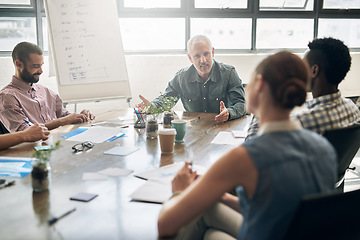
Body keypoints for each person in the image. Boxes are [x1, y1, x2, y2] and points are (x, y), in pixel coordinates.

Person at [158, 51, 336, 240]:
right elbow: (277, 206)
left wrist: (179, 191)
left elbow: (164, 225)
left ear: (259, 85)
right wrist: (222, 196)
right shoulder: (325, 148)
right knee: (212, 232)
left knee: (191, 224)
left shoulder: (245, 157)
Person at [246, 37, 360, 140]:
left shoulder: (302, 121)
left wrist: (263, 100)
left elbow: (252, 145)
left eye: (303, 66)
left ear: (314, 71)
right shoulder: (352, 109)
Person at [136, 35, 246, 123]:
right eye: (197, 56)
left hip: (222, 127)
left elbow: (242, 104)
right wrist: (151, 106)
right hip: (195, 129)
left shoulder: (229, 73)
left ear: (212, 52)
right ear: (190, 58)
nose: (203, 60)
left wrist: (229, 113)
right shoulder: (181, 77)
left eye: (206, 54)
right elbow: (167, 99)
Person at [0, 42, 95, 133]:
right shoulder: (7, 96)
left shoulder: (45, 91)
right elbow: (24, 132)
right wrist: (61, 122)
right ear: (19, 64)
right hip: (34, 148)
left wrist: (80, 116)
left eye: (41, 65)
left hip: (58, 142)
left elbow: (63, 115)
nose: (41, 71)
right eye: (36, 66)